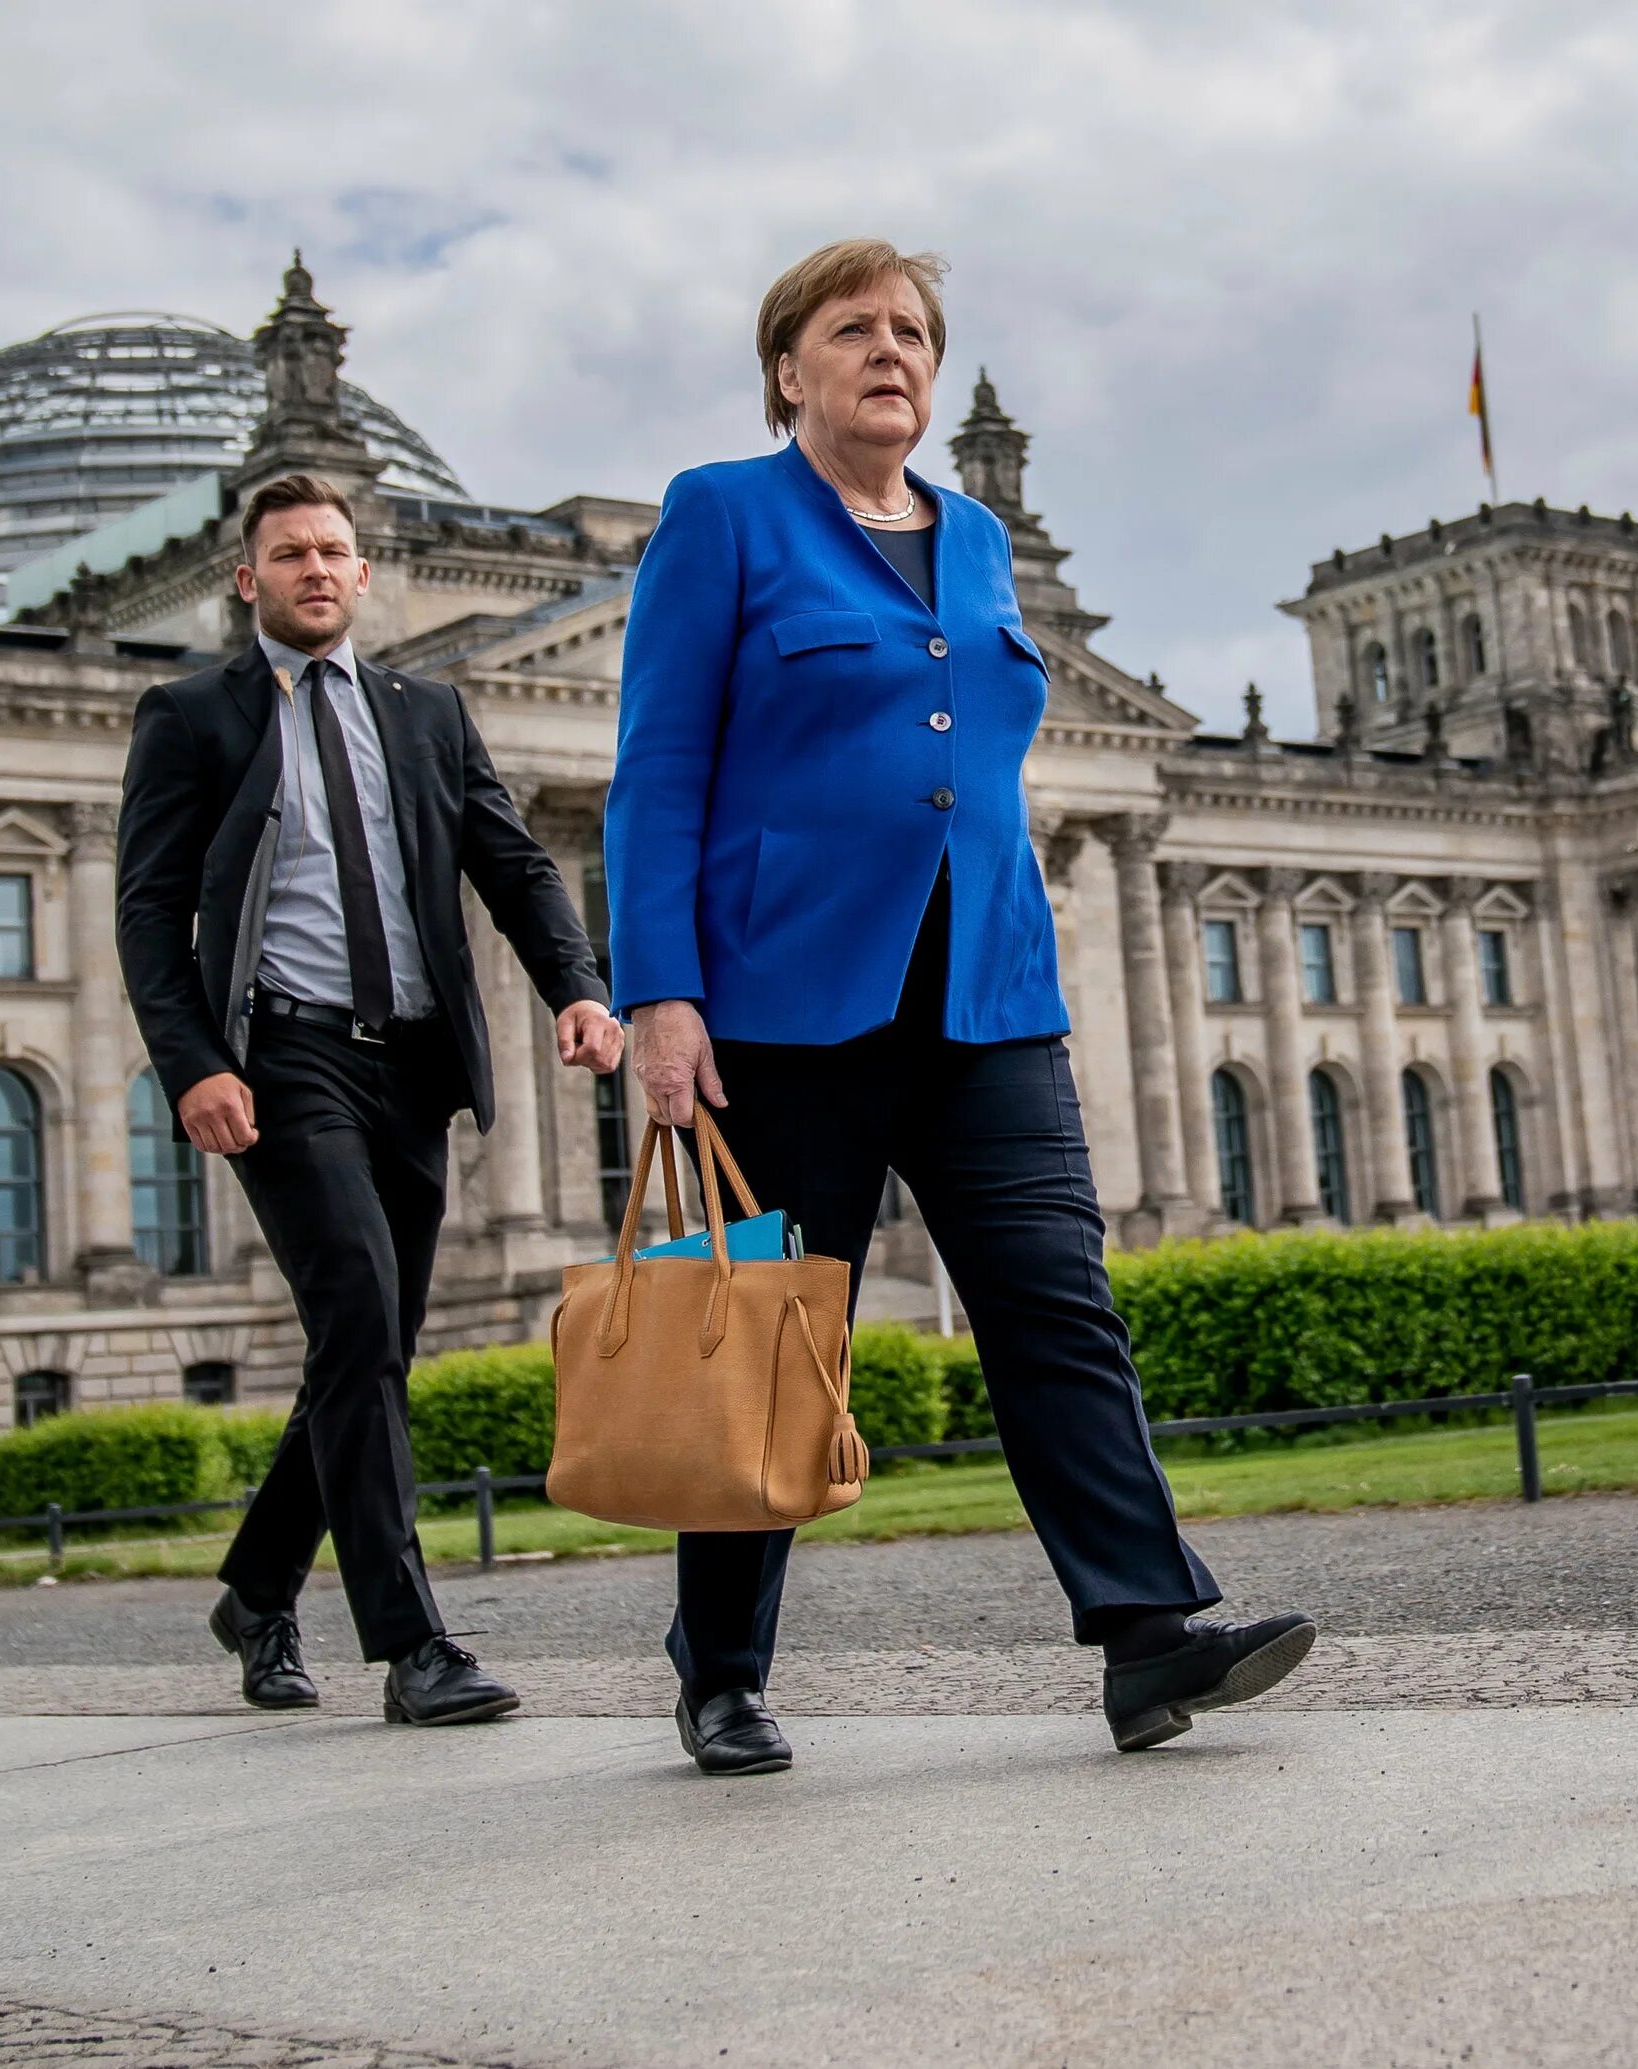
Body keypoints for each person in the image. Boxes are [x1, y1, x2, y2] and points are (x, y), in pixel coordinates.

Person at [606, 240, 1319, 1774]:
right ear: (787, 367)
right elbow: (659, 768)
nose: (891, 352)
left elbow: (966, 755)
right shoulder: (721, 515)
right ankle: (721, 1671)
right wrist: (661, 995)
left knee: (1059, 1304)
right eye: (852, 328)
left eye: (914, 331)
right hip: (788, 1002)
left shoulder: (980, 537)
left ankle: (1145, 1633)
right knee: (774, 1338)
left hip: (987, 992)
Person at [118, 474, 624, 1726]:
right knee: (355, 1310)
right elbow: (148, 911)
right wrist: (195, 1062)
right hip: (286, 1057)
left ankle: (258, 1586)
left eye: (334, 551)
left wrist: (576, 983)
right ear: (249, 578)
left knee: (370, 1344)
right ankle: (411, 1643)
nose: (315, 569)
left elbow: (510, 860)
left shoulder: (428, 711)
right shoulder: (190, 715)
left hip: (411, 1062)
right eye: (289, 552)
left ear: (362, 570)